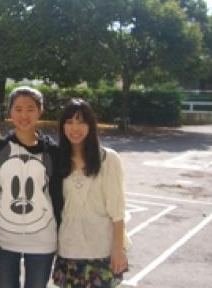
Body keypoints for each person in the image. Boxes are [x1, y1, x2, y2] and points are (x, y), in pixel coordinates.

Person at [0, 86, 63, 288]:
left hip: (43, 239)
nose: (24, 115)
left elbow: (59, 197)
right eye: (18, 109)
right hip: (4, 239)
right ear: (10, 112)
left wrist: (63, 236)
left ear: (40, 111)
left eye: (30, 109)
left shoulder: (52, 151)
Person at [53, 98, 129, 288]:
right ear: (63, 126)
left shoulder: (108, 159)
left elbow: (117, 208)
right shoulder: (56, 159)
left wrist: (118, 248)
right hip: (68, 248)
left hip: (101, 249)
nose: (75, 128)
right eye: (69, 122)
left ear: (91, 125)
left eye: (81, 122)